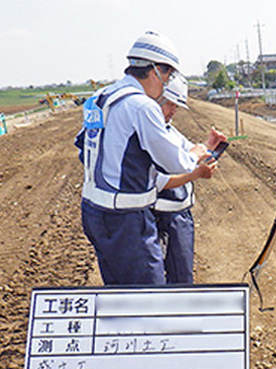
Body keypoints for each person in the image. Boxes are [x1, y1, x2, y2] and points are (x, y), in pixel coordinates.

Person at [74, 31, 216, 285]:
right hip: (125, 218)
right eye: (168, 75)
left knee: (118, 287)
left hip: (93, 212)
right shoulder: (142, 106)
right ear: (155, 71)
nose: (165, 84)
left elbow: (83, 147)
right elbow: (176, 163)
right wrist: (196, 153)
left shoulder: (98, 98)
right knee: (148, 295)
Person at [153, 75, 226, 284]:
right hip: (163, 218)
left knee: (183, 275)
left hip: (180, 214)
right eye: (170, 105)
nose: (173, 111)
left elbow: (188, 156)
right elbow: (159, 181)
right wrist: (196, 175)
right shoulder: (151, 134)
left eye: (176, 106)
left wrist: (209, 146)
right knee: (173, 278)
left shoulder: (169, 130)